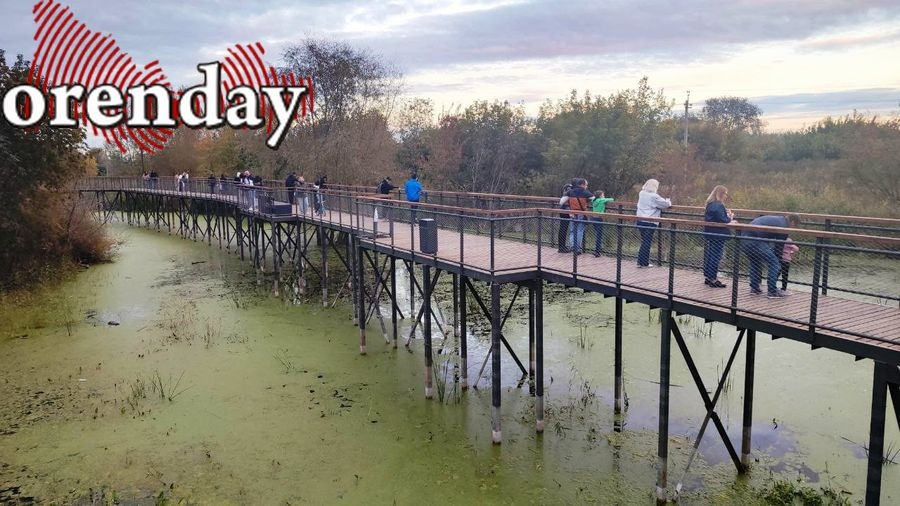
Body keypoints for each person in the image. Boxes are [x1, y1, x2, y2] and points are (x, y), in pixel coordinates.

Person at [742, 214, 801, 298]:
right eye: (795, 225)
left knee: (755, 262)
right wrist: (779, 261)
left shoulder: (779, 220)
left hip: (744, 238)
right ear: (792, 222)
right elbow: (779, 247)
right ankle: (772, 291)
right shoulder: (784, 227)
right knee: (774, 264)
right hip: (756, 240)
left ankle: (754, 288)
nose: (794, 228)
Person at [702, 185, 735, 288]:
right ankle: (713, 278)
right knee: (716, 256)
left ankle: (708, 277)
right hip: (718, 234)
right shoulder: (718, 205)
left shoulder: (710, 204)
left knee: (711, 254)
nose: (726, 196)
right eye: (725, 193)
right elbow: (723, 220)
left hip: (710, 232)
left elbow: (715, 217)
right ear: (721, 194)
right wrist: (730, 217)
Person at [635, 178, 672, 267]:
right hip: (650, 221)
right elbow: (666, 205)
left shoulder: (641, 193)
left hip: (640, 220)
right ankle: (643, 262)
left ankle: (641, 262)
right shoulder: (654, 196)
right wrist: (668, 200)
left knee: (644, 241)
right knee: (647, 242)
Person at [566, 178, 593, 255]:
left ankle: (572, 247)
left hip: (572, 213)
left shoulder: (570, 192)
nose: (586, 186)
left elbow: (562, 201)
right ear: (582, 184)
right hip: (581, 213)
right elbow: (593, 198)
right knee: (579, 230)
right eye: (586, 185)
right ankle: (577, 249)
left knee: (572, 231)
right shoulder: (585, 192)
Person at [591, 190, 614, 256]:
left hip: (593, 218)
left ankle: (598, 249)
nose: (604, 196)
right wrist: (604, 199)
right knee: (599, 235)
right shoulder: (602, 200)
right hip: (599, 218)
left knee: (597, 234)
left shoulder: (594, 200)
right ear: (600, 195)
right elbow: (612, 199)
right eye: (603, 195)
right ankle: (597, 251)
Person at [557, 182, 573, 252]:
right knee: (563, 229)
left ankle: (562, 246)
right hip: (565, 212)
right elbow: (563, 202)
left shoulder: (565, 194)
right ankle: (561, 247)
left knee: (563, 229)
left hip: (563, 211)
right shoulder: (567, 195)